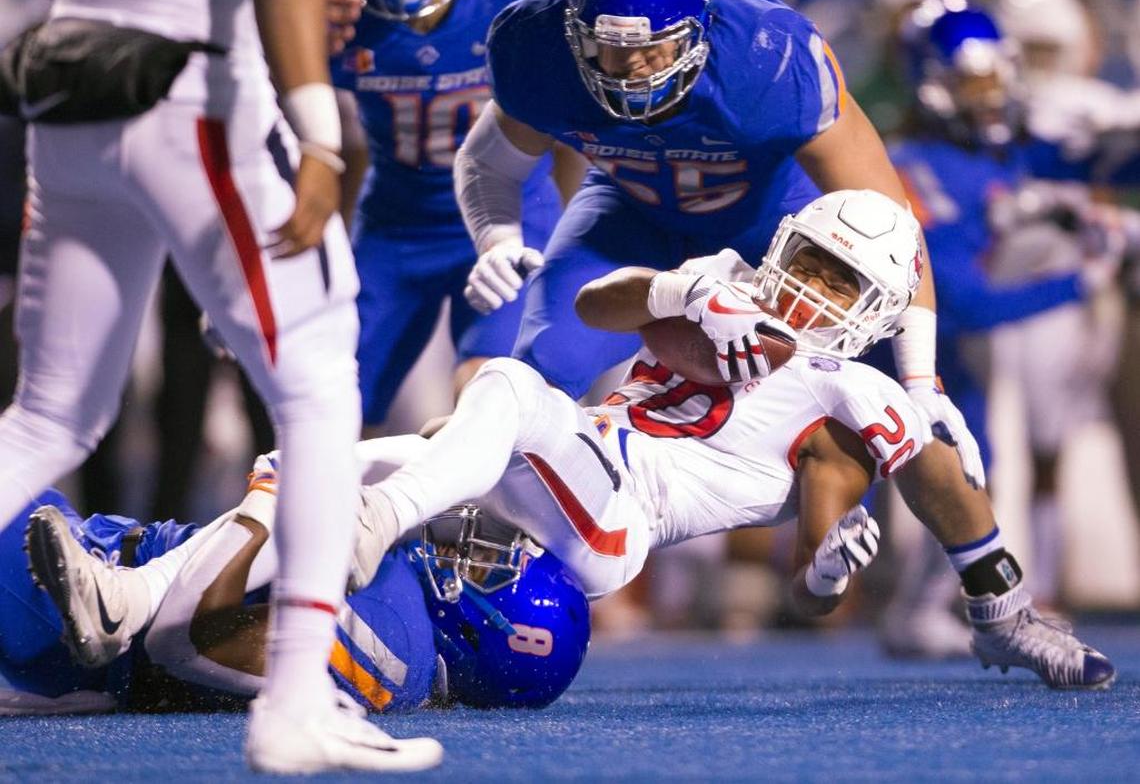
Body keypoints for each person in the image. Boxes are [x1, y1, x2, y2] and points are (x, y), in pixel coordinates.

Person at [0, 0, 434, 772]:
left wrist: (269, 4)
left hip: (71, 98)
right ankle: (296, 703)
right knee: (317, 383)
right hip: (189, 101)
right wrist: (317, 134)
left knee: (47, 419)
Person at [352, 189, 1115, 690]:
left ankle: (1006, 613)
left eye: (840, 282)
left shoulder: (844, 390)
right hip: (560, 471)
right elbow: (592, 305)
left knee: (510, 388)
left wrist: (834, 571)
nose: (812, 288)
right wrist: (684, 289)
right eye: (811, 263)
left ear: (875, 313)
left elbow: (814, 587)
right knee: (327, 468)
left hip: (615, 519)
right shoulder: (725, 279)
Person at [454, 0, 983, 491]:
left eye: (653, 46)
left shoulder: (771, 58)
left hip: (768, 222)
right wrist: (497, 237)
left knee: (848, 406)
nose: (631, 69)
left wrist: (921, 382)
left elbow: (893, 224)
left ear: (701, 21)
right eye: (611, 46)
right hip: (629, 208)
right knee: (540, 371)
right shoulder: (538, 46)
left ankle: (973, 565)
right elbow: (488, 161)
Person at [877, 0, 1134, 651]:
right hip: (881, 347)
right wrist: (1083, 278)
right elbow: (963, 302)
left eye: (998, 77)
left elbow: (1094, 162)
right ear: (934, 87)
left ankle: (919, 606)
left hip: (943, 355)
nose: (991, 96)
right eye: (973, 81)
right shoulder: (912, 167)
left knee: (970, 460)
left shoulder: (1004, 153)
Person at [323, 0, 581, 430]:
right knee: (325, 408)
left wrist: (574, 230)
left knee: (489, 401)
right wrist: (290, 37)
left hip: (513, 214)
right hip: (394, 228)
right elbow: (259, 117)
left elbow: (581, 96)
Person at [14, 465, 588, 714]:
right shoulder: (404, 608)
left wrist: (269, 502)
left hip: (59, 619)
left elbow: (184, 641)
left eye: (489, 568)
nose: (467, 552)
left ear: (492, 633)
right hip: (89, 560)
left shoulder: (399, 644)